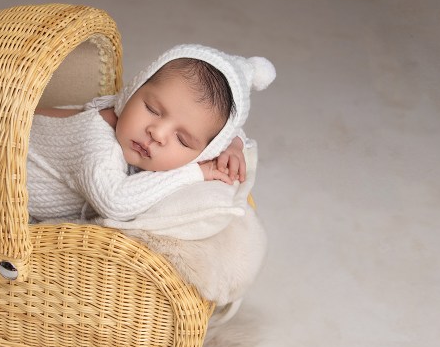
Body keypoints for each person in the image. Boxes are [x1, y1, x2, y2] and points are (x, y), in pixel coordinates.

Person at [26, 44, 275, 222]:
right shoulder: (95, 139)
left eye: (182, 139)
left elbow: (221, 131)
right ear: (131, 92)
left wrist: (234, 145)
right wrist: (198, 171)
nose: (157, 133)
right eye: (152, 109)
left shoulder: (145, 129)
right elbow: (115, 202)